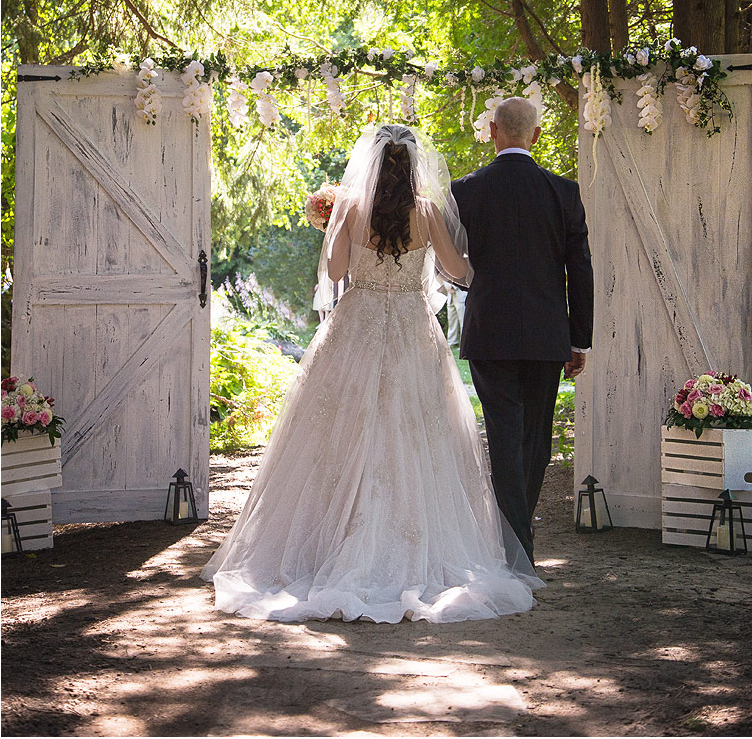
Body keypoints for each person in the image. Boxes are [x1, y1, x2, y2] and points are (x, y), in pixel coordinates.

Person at [201, 123, 541, 623]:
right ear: (413, 167)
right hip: (409, 327)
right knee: (415, 431)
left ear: (373, 166)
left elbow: (335, 273)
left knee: (340, 431)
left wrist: (335, 224)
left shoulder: (353, 210)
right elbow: (459, 271)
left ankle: (328, 545)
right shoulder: (426, 213)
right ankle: (413, 548)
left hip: (356, 325)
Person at [451, 97, 594, 563]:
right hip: (544, 333)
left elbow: (452, 266)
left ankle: (514, 542)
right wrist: (578, 339)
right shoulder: (563, 192)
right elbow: (581, 270)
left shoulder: (464, 191)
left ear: (493, 131)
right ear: (535, 136)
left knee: (503, 433)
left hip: (490, 330)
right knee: (536, 437)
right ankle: (518, 539)